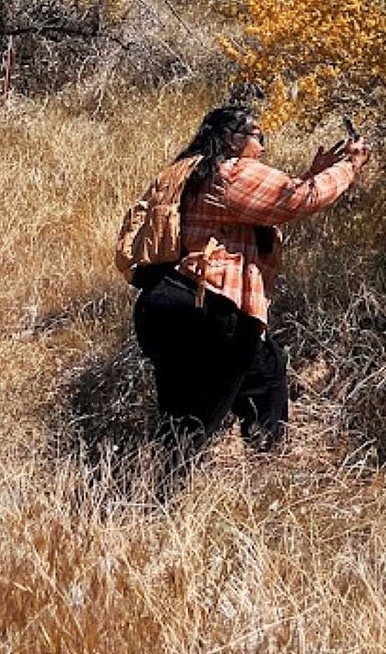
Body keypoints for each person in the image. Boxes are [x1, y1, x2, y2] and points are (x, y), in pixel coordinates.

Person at [132, 103, 370, 457]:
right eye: (258, 136)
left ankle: (265, 472)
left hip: (165, 302)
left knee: (265, 374)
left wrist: (311, 175)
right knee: (191, 424)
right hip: (208, 309)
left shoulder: (187, 173)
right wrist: (349, 166)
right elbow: (298, 199)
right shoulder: (232, 173)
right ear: (232, 139)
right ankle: (155, 501)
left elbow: (265, 206)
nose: (262, 147)